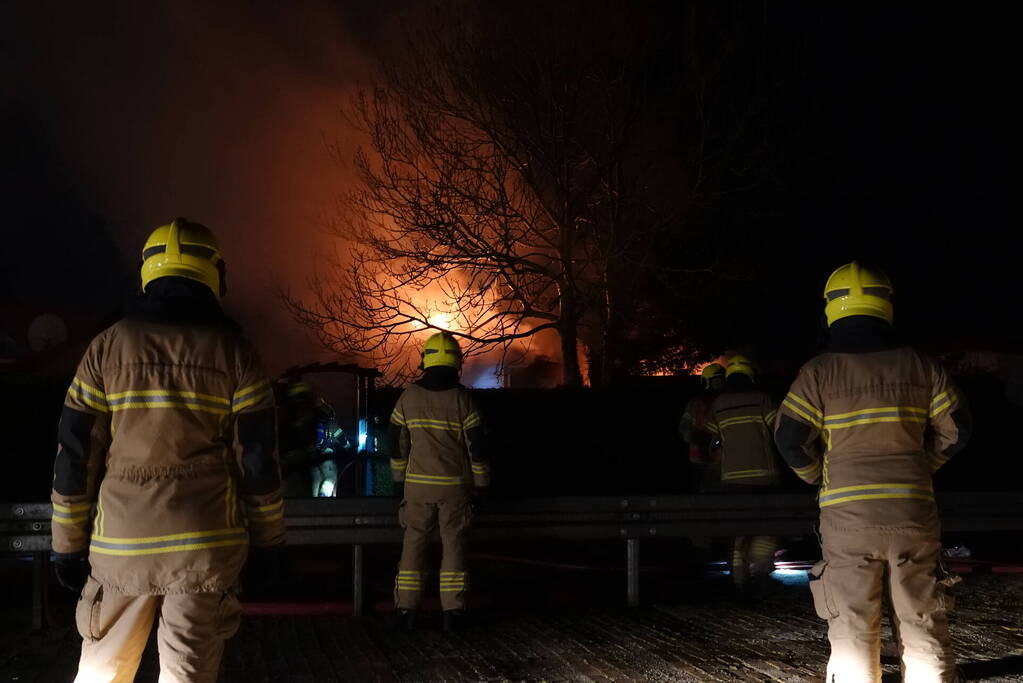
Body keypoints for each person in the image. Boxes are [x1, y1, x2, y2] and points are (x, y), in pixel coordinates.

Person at [50, 218, 285, 682]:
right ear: (215, 273)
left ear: (148, 272)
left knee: (103, 672)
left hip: (121, 546)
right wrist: (270, 543)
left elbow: (74, 459)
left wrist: (67, 546)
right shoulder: (236, 353)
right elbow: (258, 465)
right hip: (205, 548)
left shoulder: (106, 348)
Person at [774, 261, 971, 682]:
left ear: (831, 308)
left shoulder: (818, 373)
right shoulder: (922, 366)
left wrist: (817, 477)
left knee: (850, 627)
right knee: (922, 621)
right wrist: (922, 467)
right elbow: (958, 431)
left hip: (848, 521)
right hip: (912, 512)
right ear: (886, 305)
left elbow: (790, 439)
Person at [389, 332, 490, 631]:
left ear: (426, 360)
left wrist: (398, 481)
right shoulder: (464, 400)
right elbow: (478, 449)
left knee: (413, 545)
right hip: (455, 489)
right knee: (454, 546)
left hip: (417, 488)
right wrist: (482, 484)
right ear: (456, 363)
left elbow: (395, 443)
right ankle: (453, 613)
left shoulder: (408, 397)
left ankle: (406, 611)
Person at [705, 354, 781, 590]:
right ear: (751, 375)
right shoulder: (762, 399)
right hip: (763, 476)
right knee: (766, 526)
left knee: (738, 529)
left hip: (730, 478)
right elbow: (781, 429)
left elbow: (709, 435)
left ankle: (738, 577)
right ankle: (761, 569)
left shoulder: (718, 404)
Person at [679, 362, 727, 492]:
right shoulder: (696, 404)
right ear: (707, 382)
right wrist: (695, 438)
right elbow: (684, 427)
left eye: (721, 380)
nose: (719, 384)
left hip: (723, 459)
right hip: (700, 458)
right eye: (715, 381)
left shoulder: (729, 401)